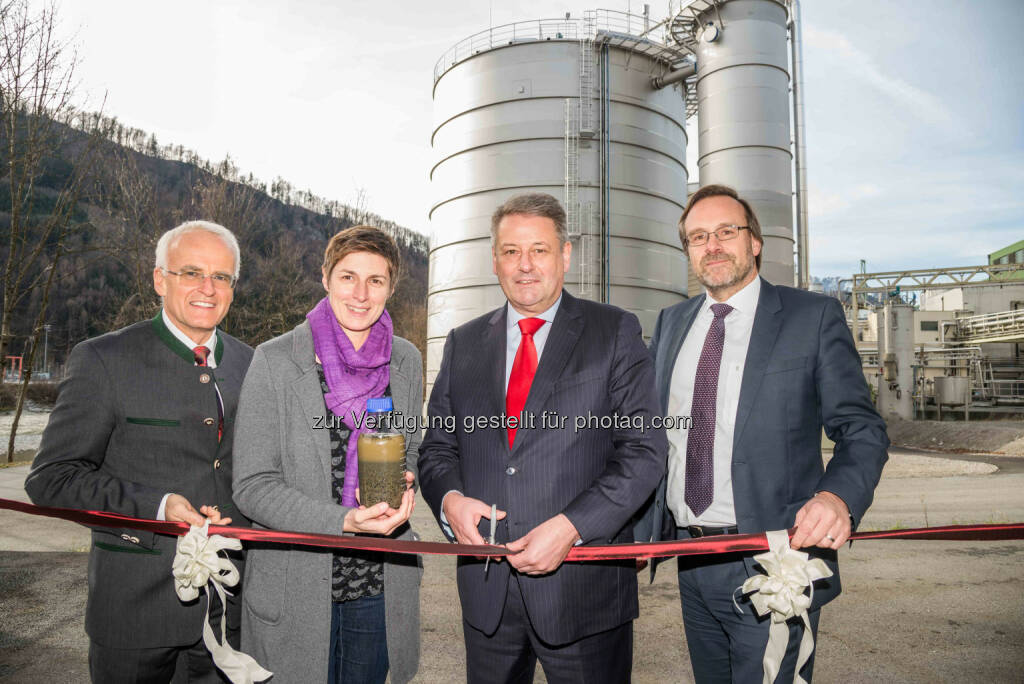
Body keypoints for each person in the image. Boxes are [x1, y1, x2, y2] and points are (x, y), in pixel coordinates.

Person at [634, 184, 889, 683]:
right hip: (691, 557)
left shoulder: (810, 317)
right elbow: (651, 435)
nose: (713, 245)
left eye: (726, 231)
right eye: (698, 237)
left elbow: (861, 429)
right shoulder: (670, 324)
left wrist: (837, 496)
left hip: (775, 558)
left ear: (754, 242)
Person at [418, 193, 666, 683]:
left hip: (584, 591)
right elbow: (438, 447)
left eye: (539, 250)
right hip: (487, 593)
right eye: (511, 251)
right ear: (494, 260)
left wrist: (572, 527)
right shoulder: (463, 342)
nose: (525, 265)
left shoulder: (613, 330)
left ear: (566, 255)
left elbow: (643, 451)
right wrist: (450, 501)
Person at [24, 221, 253, 682]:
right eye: (191, 272)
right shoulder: (104, 359)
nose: (208, 288)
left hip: (231, 615)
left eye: (222, 277)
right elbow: (51, 478)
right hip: (134, 614)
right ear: (159, 279)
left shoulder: (253, 364)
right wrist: (157, 505)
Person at [232, 225, 421, 684]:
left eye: (375, 280)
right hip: (296, 584)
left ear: (390, 287)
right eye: (347, 277)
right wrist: (344, 522)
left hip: (377, 583)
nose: (360, 293)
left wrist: (405, 476)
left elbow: (410, 443)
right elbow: (252, 485)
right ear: (325, 278)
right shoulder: (276, 361)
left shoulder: (406, 360)